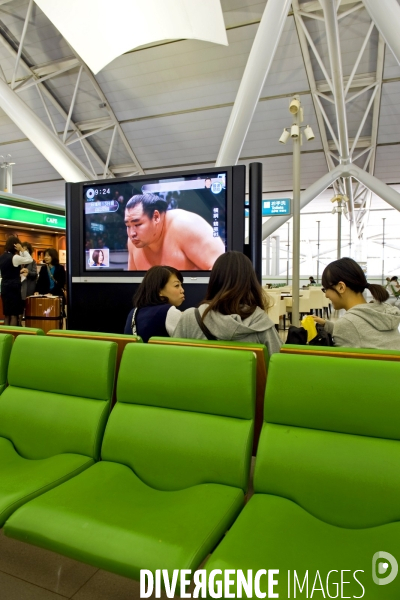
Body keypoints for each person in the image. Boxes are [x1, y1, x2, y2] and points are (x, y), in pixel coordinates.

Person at [173, 251, 282, 355]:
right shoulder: (261, 323)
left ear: (214, 280)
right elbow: (278, 367)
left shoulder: (191, 318)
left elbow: (172, 360)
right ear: (250, 282)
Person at [313, 257, 400, 349]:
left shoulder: (347, 323)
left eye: (326, 289)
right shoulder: (382, 312)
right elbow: (363, 332)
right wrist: (326, 324)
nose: (326, 295)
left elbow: (338, 361)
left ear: (341, 287)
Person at [124, 193, 224, 270]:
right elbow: (133, 285)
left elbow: (224, 271)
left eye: (137, 224)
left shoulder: (185, 225)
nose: (132, 233)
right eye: (128, 226)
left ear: (156, 217)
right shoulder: (133, 242)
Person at [124, 266, 184, 342]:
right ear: (159, 291)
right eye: (176, 285)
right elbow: (187, 344)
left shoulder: (133, 312)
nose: (182, 290)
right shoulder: (169, 311)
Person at [0, 236, 33, 325]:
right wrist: (22, 249)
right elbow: (29, 259)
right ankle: (12, 335)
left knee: (7, 314)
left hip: (4, 286)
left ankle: (5, 335)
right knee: (14, 314)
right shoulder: (14, 257)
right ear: (15, 245)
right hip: (14, 287)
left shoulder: (2, 257)